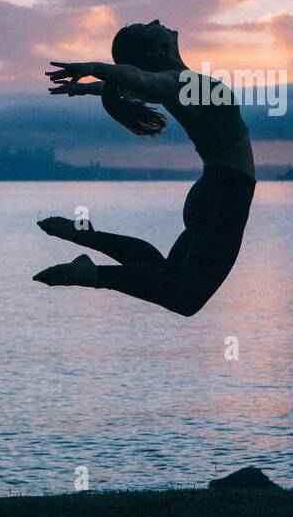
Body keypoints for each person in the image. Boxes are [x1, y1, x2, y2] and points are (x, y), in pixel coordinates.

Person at [34, 20, 255, 316]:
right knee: (185, 299)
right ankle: (92, 274)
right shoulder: (177, 83)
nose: (155, 22)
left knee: (165, 273)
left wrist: (90, 88)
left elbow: (136, 85)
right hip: (225, 196)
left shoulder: (178, 85)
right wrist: (93, 67)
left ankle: (87, 239)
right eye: (146, 26)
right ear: (156, 49)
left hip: (215, 193)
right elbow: (139, 79)